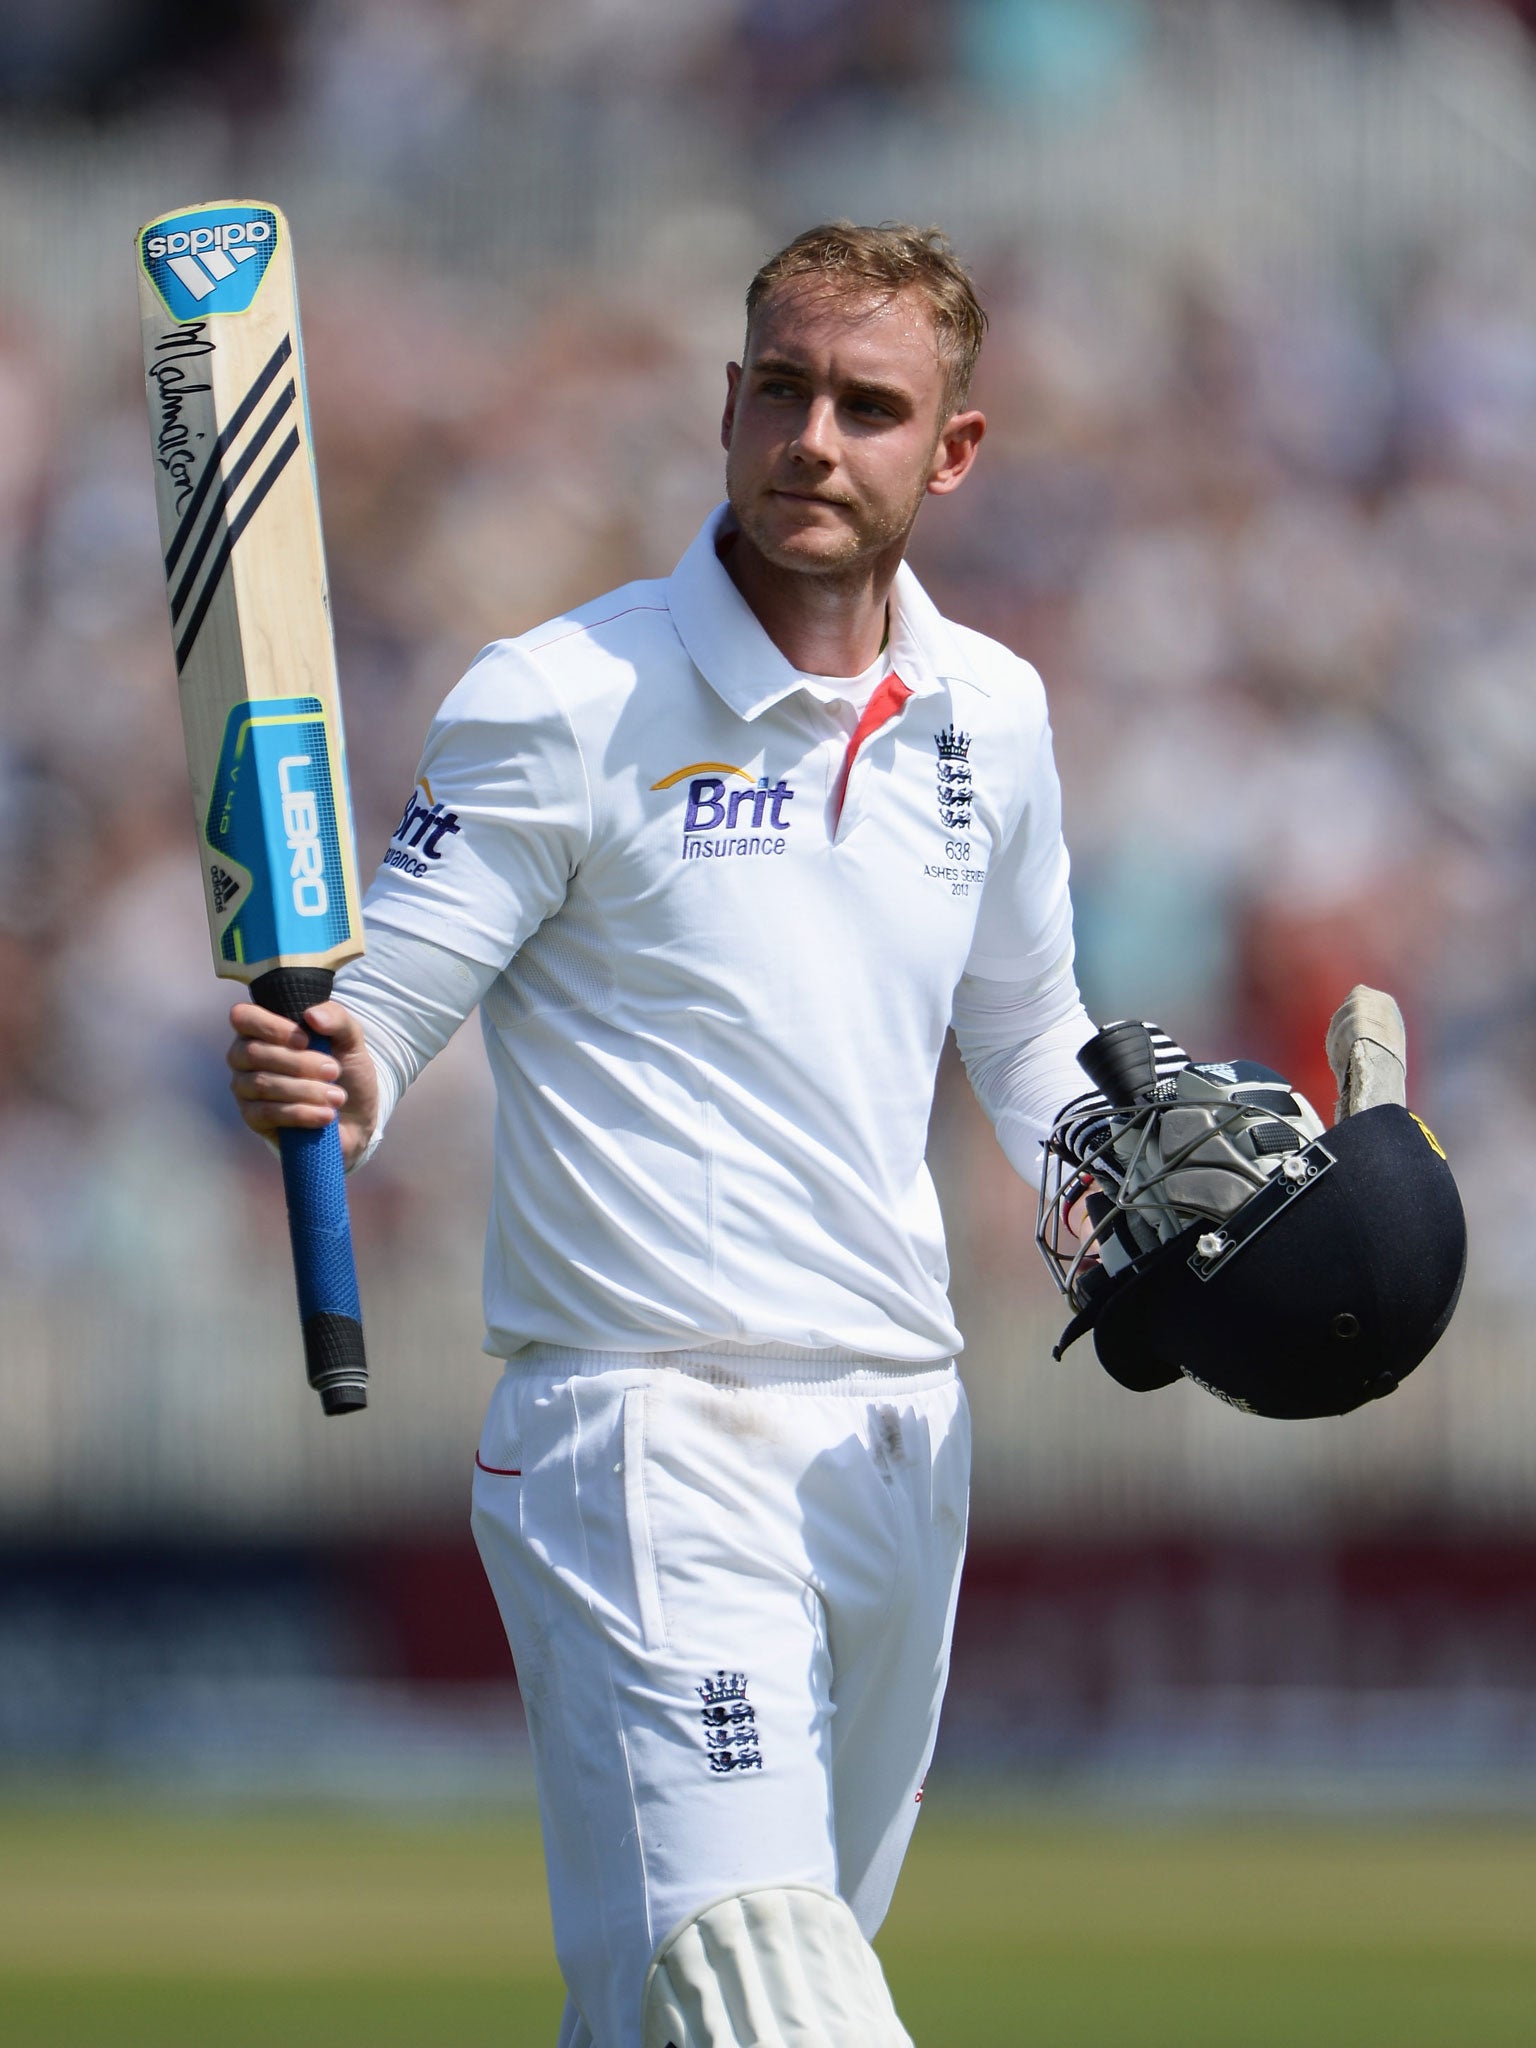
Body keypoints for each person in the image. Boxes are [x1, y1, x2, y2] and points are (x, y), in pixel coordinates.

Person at [228, 222, 1096, 2048]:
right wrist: (329, 1079)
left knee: (668, 2009)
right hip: (644, 1429)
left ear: (951, 454)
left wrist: (1124, 1201)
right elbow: (381, 1013)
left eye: (869, 408)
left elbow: (1025, 1034)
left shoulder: (994, 717)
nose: (813, 438)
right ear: (727, 405)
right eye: (781, 390)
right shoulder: (560, 699)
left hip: (898, 1434)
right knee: (770, 1994)